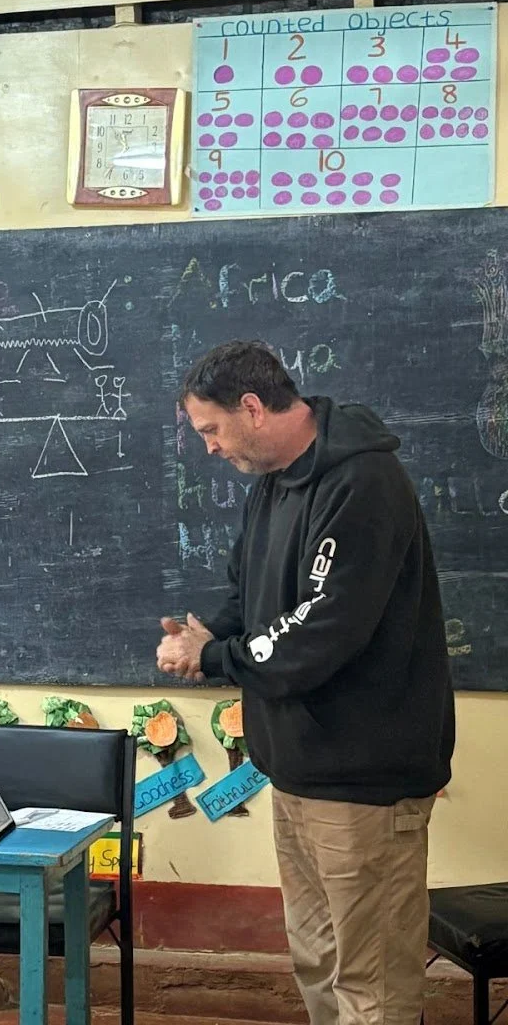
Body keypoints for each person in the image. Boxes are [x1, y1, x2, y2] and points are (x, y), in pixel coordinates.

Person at [156, 340, 455, 1025]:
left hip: (364, 783)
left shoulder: (363, 485)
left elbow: (322, 630)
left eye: (211, 430)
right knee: (319, 960)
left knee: (369, 978)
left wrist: (216, 658)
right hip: (295, 769)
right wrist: (202, 639)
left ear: (253, 408)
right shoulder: (272, 485)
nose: (208, 448)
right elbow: (248, 597)